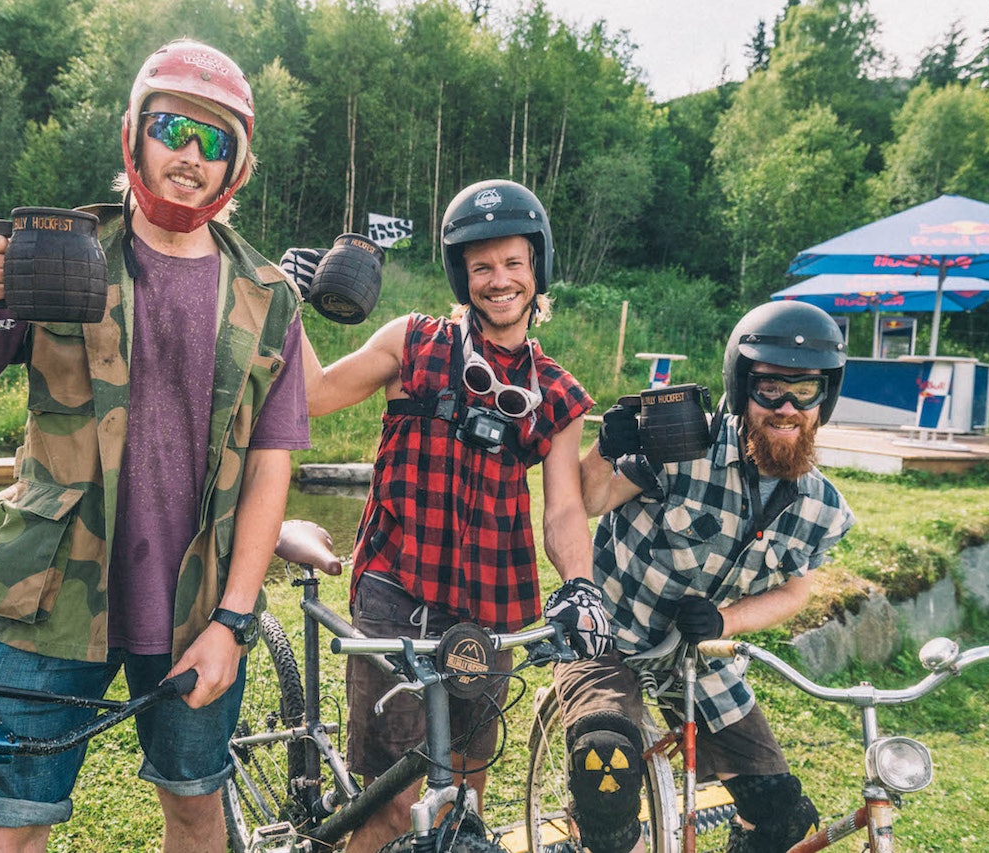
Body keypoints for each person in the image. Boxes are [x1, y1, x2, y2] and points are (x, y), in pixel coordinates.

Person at [0, 39, 308, 853]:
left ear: (237, 167)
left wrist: (235, 620)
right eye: (173, 128)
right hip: (46, 602)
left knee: (195, 809)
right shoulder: (55, 256)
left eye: (214, 141)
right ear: (133, 136)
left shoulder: (268, 297)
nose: (189, 154)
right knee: (4, 832)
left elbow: (271, 469)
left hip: (196, 614)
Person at [298, 178, 610, 852]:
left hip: (493, 611)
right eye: (483, 267)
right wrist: (279, 306)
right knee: (388, 806)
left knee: (462, 803)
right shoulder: (410, 342)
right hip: (396, 592)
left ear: (537, 270)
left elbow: (562, 511)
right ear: (462, 275)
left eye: (513, 264)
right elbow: (315, 396)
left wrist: (581, 585)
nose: (500, 281)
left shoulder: (555, 392)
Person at [558, 300, 856, 853]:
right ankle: (598, 835)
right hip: (608, 638)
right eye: (770, 389)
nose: (787, 407)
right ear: (742, 386)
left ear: (826, 398)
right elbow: (590, 499)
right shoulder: (680, 446)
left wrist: (726, 619)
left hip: (697, 655)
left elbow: (794, 591)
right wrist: (608, 447)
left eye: (805, 390)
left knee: (781, 816)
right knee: (607, 759)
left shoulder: (823, 508)